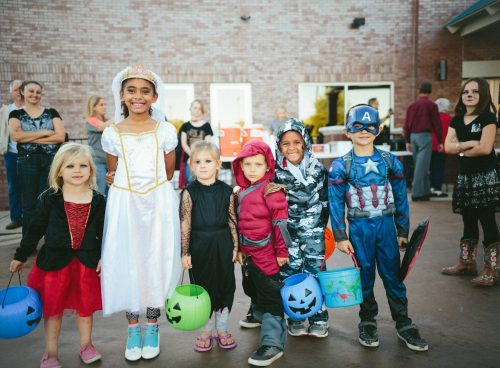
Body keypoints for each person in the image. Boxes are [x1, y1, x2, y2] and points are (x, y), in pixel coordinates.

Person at [328, 104, 428, 352]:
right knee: (364, 277)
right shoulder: (341, 166)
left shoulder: (389, 162)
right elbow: (335, 201)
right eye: (357, 126)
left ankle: (403, 323)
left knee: (393, 277)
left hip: (385, 226)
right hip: (360, 228)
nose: (364, 131)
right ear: (347, 131)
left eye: (369, 126)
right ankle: (368, 320)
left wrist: (402, 231)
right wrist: (340, 236)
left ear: (379, 129)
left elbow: (401, 198)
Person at [100, 64, 181, 361]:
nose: (138, 96)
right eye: (131, 91)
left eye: (145, 91)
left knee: (154, 260)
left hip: (157, 203)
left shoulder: (165, 131)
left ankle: (152, 324)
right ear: (121, 95)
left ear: (155, 97)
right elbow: (113, 171)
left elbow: (169, 170)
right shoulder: (112, 133)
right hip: (125, 205)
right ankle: (133, 329)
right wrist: (117, 181)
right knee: (128, 260)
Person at [9, 143, 105, 368]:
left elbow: (104, 233)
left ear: (91, 170)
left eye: (83, 165)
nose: (77, 170)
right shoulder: (50, 198)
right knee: (53, 310)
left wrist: (103, 256)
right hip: (54, 264)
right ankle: (51, 352)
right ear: (59, 170)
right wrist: (20, 256)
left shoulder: (99, 200)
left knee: (85, 308)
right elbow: (35, 229)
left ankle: (87, 345)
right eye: (70, 166)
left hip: (86, 263)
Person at [232, 140, 290, 366]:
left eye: (258, 164)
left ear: (268, 166)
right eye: (248, 164)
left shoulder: (271, 191)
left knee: (269, 295)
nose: (253, 168)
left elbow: (281, 224)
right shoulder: (242, 191)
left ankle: (273, 342)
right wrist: (239, 250)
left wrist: (281, 251)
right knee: (252, 286)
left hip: (268, 254)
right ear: (241, 166)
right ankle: (257, 314)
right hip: (249, 254)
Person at [180, 141, 239, 352]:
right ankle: (205, 331)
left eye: (208, 161)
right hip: (199, 245)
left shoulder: (227, 191)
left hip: (222, 242)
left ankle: (221, 329)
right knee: (202, 287)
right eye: (198, 161)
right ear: (191, 165)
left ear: (217, 164)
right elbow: (185, 223)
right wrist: (184, 251)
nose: (203, 165)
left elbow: (233, 219)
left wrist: (236, 247)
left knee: (225, 285)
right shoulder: (189, 192)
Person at [441, 78, 499, 286]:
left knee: (487, 220)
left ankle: (492, 270)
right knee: (468, 219)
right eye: (466, 91)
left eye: (475, 91)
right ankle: (466, 263)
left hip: (486, 177)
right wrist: (470, 143)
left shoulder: (488, 118)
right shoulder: (456, 120)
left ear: (482, 95)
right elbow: (447, 147)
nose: (470, 95)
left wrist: (461, 150)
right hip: (465, 177)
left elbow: (485, 148)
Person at [274, 118, 329, 337]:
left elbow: (325, 202)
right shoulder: (276, 172)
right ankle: (295, 317)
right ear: (279, 146)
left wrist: (320, 228)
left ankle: (319, 318)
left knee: (315, 273)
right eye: (285, 143)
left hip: (314, 234)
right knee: (290, 272)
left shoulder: (317, 169)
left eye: (296, 141)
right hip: (288, 237)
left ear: (305, 142)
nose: (292, 147)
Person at [8, 80, 66, 236]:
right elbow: (16, 137)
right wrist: (46, 132)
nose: (35, 95)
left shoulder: (52, 112)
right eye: (31, 91)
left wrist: (28, 137)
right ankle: (29, 242)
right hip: (27, 161)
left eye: (38, 92)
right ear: (22, 92)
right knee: (29, 204)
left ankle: (49, 241)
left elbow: (60, 136)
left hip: (49, 161)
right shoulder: (15, 114)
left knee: (48, 201)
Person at [403, 82, 442, 201]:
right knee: (422, 166)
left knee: (420, 165)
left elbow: (406, 124)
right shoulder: (432, 105)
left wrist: (407, 141)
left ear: (419, 91)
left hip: (413, 137)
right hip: (425, 136)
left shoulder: (412, 106)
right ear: (429, 91)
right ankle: (417, 193)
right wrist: (440, 141)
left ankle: (424, 191)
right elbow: (437, 124)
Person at [1, 80, 23, 230]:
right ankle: (16, 218)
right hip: (11, 154)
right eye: (15, 89)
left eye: (21, 88)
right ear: (11, 92)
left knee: (30, 187)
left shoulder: (31, 109)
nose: (18, 92)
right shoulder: (5, 110)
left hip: (28, 154)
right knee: (13, 186)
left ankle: (31, 217)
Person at [179, 100, 213, 187]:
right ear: (190, 109)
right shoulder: (185, 126)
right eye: (195, 107)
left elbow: (207, 144)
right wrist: (193, 156)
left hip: (203, 160)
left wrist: (198, 157)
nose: (197, 110)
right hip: (189, 160)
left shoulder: (206, 126)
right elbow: (184, 144)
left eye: (199, 108)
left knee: (203, 183)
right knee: (191, 183)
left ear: (202, 111)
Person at [84, 95, 113, 196]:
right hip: (98, 162)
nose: (104, 107)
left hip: (110, 162)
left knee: (111, 192)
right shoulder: (90, 120)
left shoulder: (107, 121)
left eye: (105, 104)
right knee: (100, 192)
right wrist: (117, 116)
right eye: (101, 105)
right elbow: (101, 127)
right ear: (93, 107)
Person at [429, 98, 452, 198]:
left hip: (430, 146)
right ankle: (437, 190)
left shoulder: (431, 117)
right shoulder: (449, 119)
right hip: (442, 146)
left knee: (431, 168)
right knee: (439, 168)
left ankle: (431, 188)